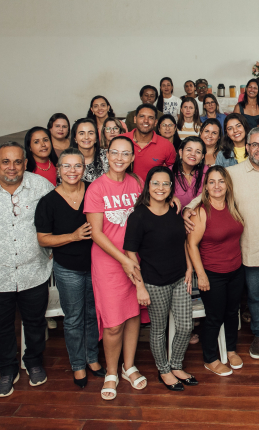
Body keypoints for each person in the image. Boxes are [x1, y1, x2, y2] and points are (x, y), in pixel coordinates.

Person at [185, 127, 259, 360]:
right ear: (247, 147)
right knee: (255, 298)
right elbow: (209, 192)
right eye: (254, 144)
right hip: (250, 250)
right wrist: (189, 207)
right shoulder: (233, 174)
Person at [0, 142, 54, 398]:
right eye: (6, 162)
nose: (12, 167)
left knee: (35, 322)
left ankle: (34, 361)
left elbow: (58, 214)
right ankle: (7, 368)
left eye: (17, 162)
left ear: (25, 164)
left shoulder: (42, 186)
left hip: (34, 269)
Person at [84, 136, 148, 400]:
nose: (120, 158)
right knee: (113, 323)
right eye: (115, 153)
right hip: (109, 263)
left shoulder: (137, 182)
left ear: (132, 157)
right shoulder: (96, 188)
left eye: (125, 153)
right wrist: (123, 260)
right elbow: (96, 233)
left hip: (135, 258)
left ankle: (128, 366)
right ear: (107, 156)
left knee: (132, 315)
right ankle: (111, 371)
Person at [34, 148, 104, 388]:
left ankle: (92, 358)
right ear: (59, 170)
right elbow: (43, 239)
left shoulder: (94, 191)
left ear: (84, 168)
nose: (72, 171)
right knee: (74, 318)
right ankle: (78, 364)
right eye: (67, 166)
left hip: (96, 266)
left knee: (93, 314)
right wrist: (73, 236)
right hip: (68, 269)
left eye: (77, 166)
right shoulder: (48, 201)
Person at [123, 167, 197, 392]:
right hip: (154, 282)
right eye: (156, 183)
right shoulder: (138, 216)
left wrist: (189, 268)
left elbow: (183, 242)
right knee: (159, 329)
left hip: (180, 278)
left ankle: (176, 365)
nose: (160, 188)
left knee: (186, 326)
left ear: (171, 187)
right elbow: (130, 253)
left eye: (166, 183)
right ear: (148, 185)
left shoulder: (175, 209)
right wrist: (140, 286)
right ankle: (164, 370)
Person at [186, 166, 247, 376]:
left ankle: (230, 350)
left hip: (236, 270)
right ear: (206, 186)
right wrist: (201, 274)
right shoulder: (201, 211)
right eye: (211, 182)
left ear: (227, 185)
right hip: (213, 274)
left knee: (232, 313)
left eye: (221, 181)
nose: (217, 186)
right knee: (214, 317)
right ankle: (210, 359)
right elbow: (191, 244)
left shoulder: (233, 207)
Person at [123, 104, 176, 181]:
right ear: (135, 119)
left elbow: (173, 174)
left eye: (150, 117)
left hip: (153, 188)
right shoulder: (120, 140)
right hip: (124, 188)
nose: (146, 121)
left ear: (155, 122)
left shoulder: (167, 146)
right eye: (142, 116)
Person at [70, 119, 108, 183]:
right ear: (75, 138)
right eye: (82, 133)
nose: (86, 137)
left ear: (96, 138)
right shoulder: (67, 158)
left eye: (90, 133)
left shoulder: (108, 156)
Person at [173, 136, 208, 206]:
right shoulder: (169, 172)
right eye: (189, 150)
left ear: (202, 156)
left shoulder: (208, 172)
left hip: (200, 212)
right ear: (181, 152)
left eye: (198, 152)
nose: (193, 154)